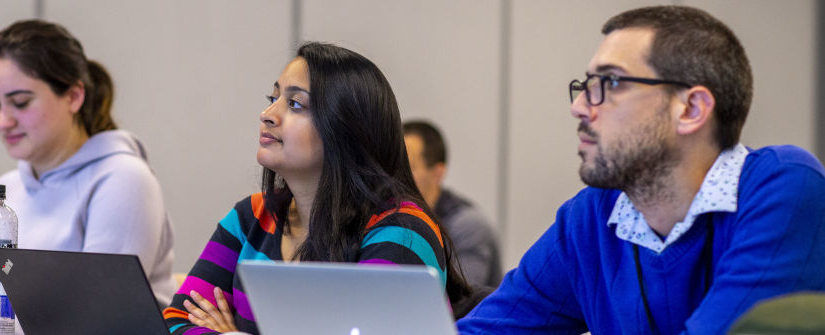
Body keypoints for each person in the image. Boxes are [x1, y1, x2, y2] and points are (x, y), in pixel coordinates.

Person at [458, 5, 825, 335]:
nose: (581, 107)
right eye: (586, 86)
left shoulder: (783, 187)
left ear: (691, 109)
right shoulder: (592, 215)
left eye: (611, 82)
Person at [162, 42, 471, 335]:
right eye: (274, 99)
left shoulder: (402, 232)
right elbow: (176, 320)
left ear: (348, 132)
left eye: (295, 104)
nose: (267, 114)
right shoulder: (252, 216)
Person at [0, 20, 175, 335]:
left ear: (73, 96)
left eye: (20, 102)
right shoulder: (5, 192)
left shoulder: (123, 179)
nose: (3, 121)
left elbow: (94, 320)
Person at [403, 120, 501, 287]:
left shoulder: (468, 225)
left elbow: (462, 296)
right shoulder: (394, 217)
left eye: (409, 166)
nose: (397, 175)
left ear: (437, 173)